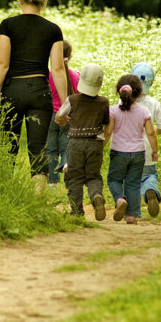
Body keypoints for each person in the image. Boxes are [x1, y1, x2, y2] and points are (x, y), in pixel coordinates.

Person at [0, 0, 68, 192]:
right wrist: (66, 104)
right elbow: (57, 69)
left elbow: (2, 64)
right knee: (38, 149)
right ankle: (37, 201)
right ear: (43, 1)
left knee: (7, 147)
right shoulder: (53, 30)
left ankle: (5, 196)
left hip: (12, 90)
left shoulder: (8, 25)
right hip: (40, 91)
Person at [54, 64, 110, 219]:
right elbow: (105, 123)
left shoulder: (73, 100)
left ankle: (77, 211)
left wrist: (62, 120)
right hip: (95, 144)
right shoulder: (103, 102)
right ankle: (96, 196)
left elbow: (59, 115)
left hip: (76, 144)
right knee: (93, 176)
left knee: (75, 177)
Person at [102, 74, 158, 225]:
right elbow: (151, 133)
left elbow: (108, 132)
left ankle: (120, 199)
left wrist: (100, 148)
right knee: (133, 183)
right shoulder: (144, 111)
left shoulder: (113, 111)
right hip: (138, 153)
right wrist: (154, 150)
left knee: (114, 179)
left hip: (119, 152)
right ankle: (132, 216)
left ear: (118, 91)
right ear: (138, 93)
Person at [131, 63, 161, 217]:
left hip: (127, 149)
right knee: (149, 175)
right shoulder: (154, 103)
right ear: (151, 83)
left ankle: (133, 211)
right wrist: (154, 134)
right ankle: (150, 190)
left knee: (131, 179)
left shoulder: (125, 101)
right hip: (147, 148)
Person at [46, 40, 80, 186]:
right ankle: (66, 164)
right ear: (70, 56)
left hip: (51, 115)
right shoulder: (76, 76)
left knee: (51, 148)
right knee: (66, 146)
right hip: (69, 115)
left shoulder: (48, 76)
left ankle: (52, 182)